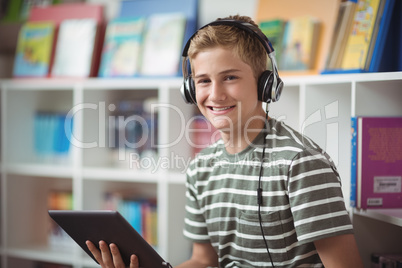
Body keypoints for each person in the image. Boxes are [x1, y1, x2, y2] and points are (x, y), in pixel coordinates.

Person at [86, 15, 363, 267]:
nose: (215, 95)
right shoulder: (201, 168)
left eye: (230, 77)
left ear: (264, 84)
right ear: (190, 89)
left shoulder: (301, 163)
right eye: (203, 81)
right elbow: (203, 260)